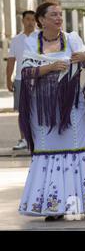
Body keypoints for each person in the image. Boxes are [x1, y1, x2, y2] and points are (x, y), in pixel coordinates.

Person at [18, 1, 85, 221]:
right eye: (53, 15)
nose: (58, 18)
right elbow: (26, 71)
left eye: (60, 14)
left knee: (78, 149)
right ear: (41, 20)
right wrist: (50, 67)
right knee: (47, 150)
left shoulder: (73, 38)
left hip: (72, 105)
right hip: (43, 108)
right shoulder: (31, 41)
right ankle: (53, 206)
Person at [7, 10, 38, 150]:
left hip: (38, 78)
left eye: (33, 19)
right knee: (22, 111)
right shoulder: (16, 39)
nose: (30, 22)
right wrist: (9, 79)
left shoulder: (40, 37)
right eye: (28, 19)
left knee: (37, 109)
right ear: (23, 21)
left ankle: (37, 139)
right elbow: (11, 60)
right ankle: (23, 138)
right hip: (20, 79)